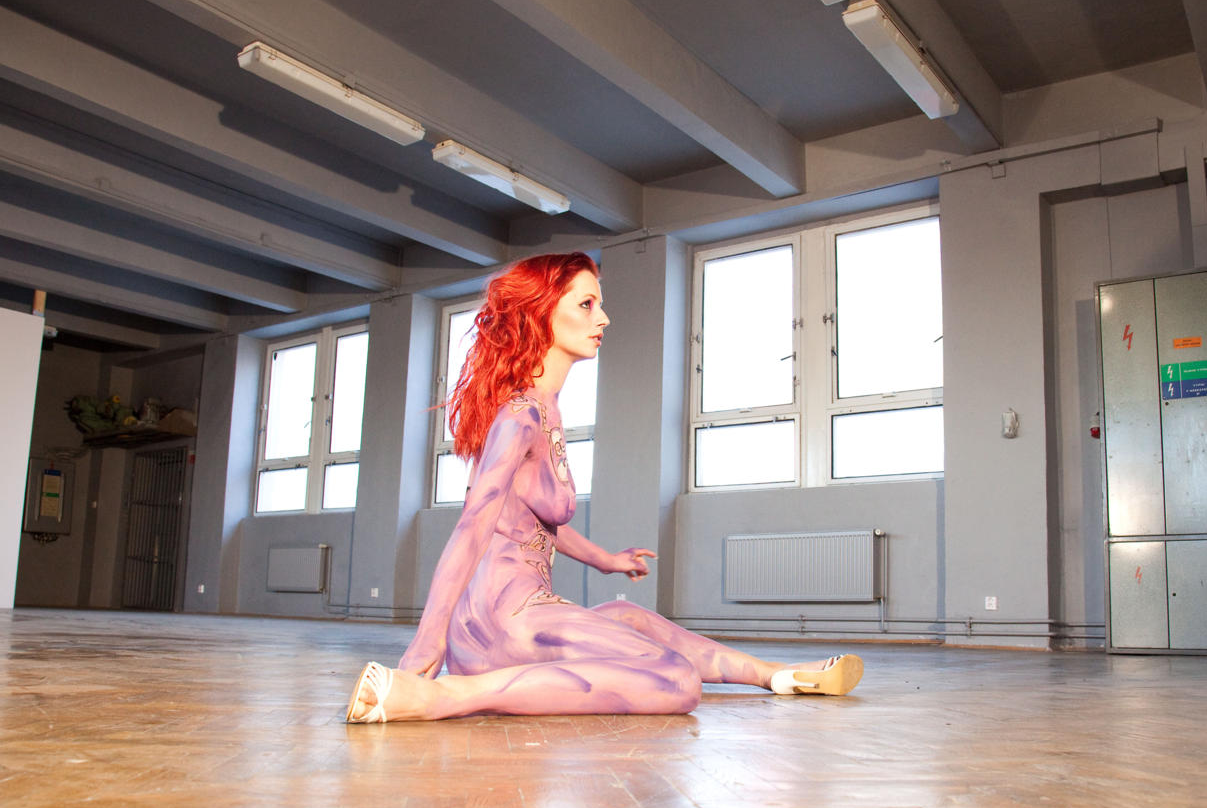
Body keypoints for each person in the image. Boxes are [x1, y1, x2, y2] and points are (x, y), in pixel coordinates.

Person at [346, 252, 863, 722]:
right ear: (541, 312)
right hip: (502, 625)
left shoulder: (544, 409)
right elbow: (472, 527)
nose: (603, 318)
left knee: (627, 615)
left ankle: (778, 675)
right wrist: (427, 643)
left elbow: (525, 519)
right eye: (586, 304)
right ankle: (445, 697)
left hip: (514, 618)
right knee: (676, 681)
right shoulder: (521, 415)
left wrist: (606, 561)